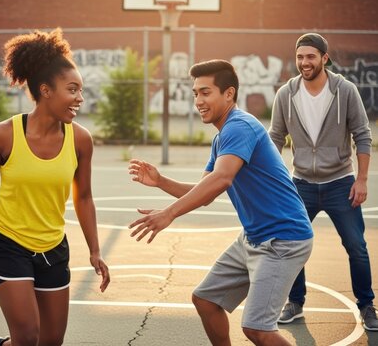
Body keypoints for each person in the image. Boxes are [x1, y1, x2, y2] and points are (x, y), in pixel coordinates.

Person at [128, 59, 314, 345]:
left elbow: (222, 179)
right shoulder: (223, 137)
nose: (198, 101)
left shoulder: (239, 127)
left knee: (257, 329)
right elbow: (207, 191)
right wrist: (161, 181)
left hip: (282, 240)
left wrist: (169, 214)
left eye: (205, 92)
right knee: (206, 300)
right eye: (195, 94)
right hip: (254, 237)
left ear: (228, 94)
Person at [0, 28, 110, 346]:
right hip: (6, 242)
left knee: (51, 341)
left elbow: (83, 196)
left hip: (53, 246)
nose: (80, 98)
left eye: (81, 90)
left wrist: (95, 251)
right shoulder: (3, 135)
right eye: (72, 89)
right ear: (45, 90)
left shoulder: (80, 139)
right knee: (28, 336)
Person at [269, 32, 378, 331]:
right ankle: (295, 302)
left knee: (356, 246)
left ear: (324, 58)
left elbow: (363, 134)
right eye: (300, 57)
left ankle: (367, 306)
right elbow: (275, 138)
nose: (305, 62)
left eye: (311, 57)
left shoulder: (345, 90)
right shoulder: (286, 94)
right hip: (300, 184)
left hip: (341, 183)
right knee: (292, 243)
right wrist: (275, 180)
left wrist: (362, 179)